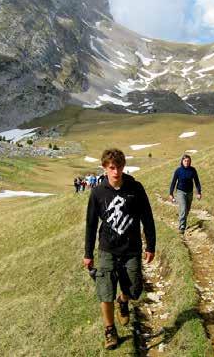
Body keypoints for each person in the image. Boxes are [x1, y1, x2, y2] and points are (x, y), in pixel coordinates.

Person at [83, 148, 156, 350]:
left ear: (124, 167)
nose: (116, 172)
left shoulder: (136, 188)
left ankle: (122, 301)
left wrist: (151, 245)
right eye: (112, 168)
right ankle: (109, 330)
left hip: (131, 248)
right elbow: (91, 224)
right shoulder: (98, 192)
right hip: (107, 249)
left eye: (120, 167)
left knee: (134, 290)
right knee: (104, 291)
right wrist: (88, 253)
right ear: (105, 168)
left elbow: (147, 218)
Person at [169, 154, 202, 235]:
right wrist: (171, 193)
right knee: (183, 209)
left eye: (188, 161)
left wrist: (199, 192)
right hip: (180, 192)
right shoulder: (178, 170)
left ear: (190, 162)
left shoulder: (193, 170)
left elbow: (197, 181)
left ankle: (181, 218)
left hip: (190, 192)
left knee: (187, 210)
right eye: (185, 161)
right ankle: (182, 228)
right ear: (182, 161)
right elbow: (173, 182)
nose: (187, 162)